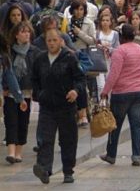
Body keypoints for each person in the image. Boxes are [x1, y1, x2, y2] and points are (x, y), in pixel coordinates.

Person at [31, 28, 86, 184]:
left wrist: (75, 91)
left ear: (61, 41)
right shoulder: (40, 59)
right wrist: (39, 94)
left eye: (55, 40)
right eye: (49, 41)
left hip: (66, 107)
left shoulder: (69, 57)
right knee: (44, 139)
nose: (52, 43)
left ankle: (68, 170)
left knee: (68, 140)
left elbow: (80, 79)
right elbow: (35, 79)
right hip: (47, 107)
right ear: (45, 42)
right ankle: (44, 169)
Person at [99, 24, 140, 167]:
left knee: (115, 125)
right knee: (137, 124)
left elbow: (114, 74)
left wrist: (105, 92)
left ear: (121, 37)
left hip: (122, 94)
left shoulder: (120, 52)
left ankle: (111, 155)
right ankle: (137, 156)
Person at [5, 21, 39, 164]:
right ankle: (11, 153)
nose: (26, 34)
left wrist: (36, 90)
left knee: (23, 122)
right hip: (10, 92)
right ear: (16, 35)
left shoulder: (34, 51)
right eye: (23, 32)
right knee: (11, 121)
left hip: (27, 91)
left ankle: (19, 152)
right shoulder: (9, 51)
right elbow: (6, 72)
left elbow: (37, 72)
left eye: (28, 32)